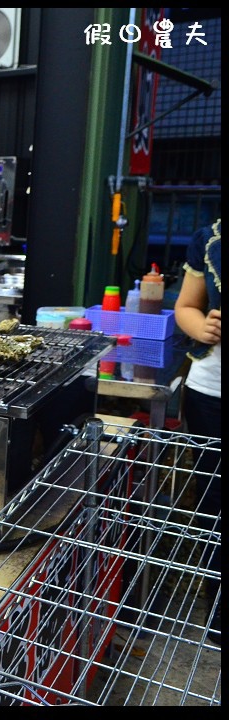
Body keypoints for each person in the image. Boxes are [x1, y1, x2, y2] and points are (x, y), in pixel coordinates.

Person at [174, 217, 221, 645]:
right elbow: (186, 306)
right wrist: (199, 325)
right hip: (212, 392)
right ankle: (218, 612)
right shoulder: (209, 237)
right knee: (214, 502)